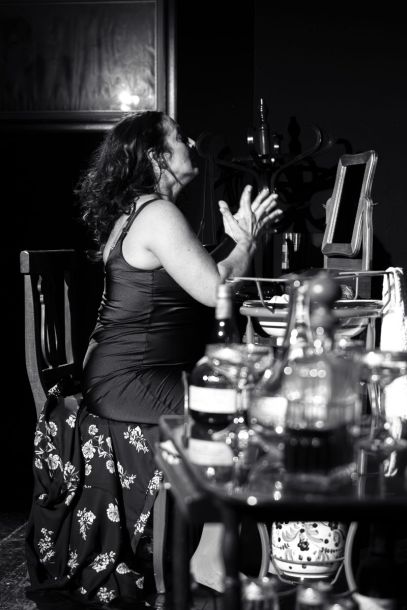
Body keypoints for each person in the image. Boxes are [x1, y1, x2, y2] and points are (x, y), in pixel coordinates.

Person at [25, 110, 282, 608]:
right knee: (240, 410)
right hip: (130, 379)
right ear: (157, 156)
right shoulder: (158, 214)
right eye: (179, 137)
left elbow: (203, 275)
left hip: (120, 373)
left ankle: (218, 551)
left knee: (240, 398)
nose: (191, 143)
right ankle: (210, 558)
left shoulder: (143, 212)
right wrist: (245, 242)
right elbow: (215, 290)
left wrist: (239, 242)